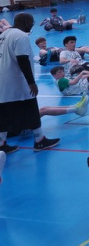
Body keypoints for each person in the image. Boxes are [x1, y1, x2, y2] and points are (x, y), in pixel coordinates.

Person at [0, 13, 60, 154]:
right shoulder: (21, 36)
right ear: (26, 22)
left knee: (4, 113)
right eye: (32, 22)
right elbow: (22, 59)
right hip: (16, 80)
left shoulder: (4, 34)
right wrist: (31, 82)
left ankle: (1, 144)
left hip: (3, 80)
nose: (33, 24)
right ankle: (40, 140)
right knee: (31, 108)